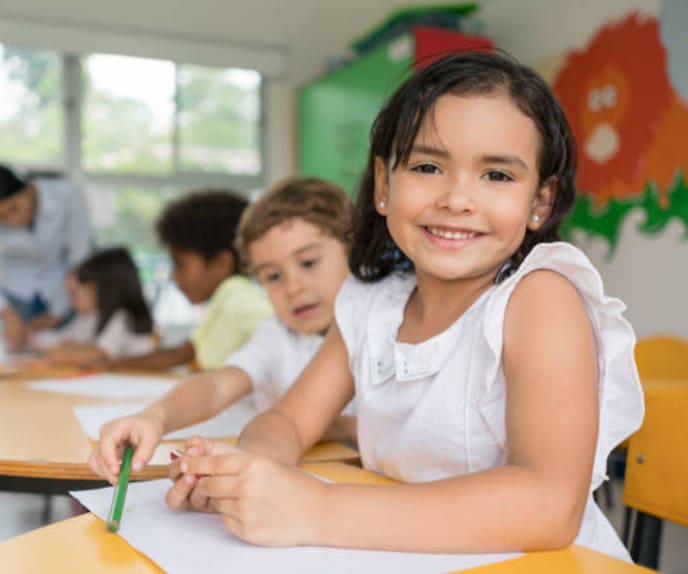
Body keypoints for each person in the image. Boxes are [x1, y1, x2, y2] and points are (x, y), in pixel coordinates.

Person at [160, 52, 645, 560]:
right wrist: (251, 475)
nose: (457, 199)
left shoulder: (541, 298)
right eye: (428, 167)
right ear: (384, 185)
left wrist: (316, 508)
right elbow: (287, 421)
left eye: (497, 175)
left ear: (539, 202)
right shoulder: (371, 305)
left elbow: (548, 506)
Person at [89, 177, 356, 479]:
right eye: (272, 276)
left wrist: (342, 427)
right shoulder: (277, 332)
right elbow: (217, 386)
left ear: (354, 252)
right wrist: (155, 417)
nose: (293, 287)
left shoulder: (376, 326)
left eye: (307, 263)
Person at [105, 189, 272, 372]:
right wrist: (112, 365)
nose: (174, 276)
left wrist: (110, 365)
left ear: (221, 263)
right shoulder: (225, 298)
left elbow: (276, 328)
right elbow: (185, 352)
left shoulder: (236, 294)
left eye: (181, 264)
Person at [0, 164, 93, 351]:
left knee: (68, 352)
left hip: (64, 290)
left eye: (14, 208)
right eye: (0, 216)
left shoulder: (66, 195)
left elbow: (80, 256)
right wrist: (7, 313)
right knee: (21, 356)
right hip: (16, 296)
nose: (12, 220)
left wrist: (59, 311)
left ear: (28, 189)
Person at [30, 247, 155, 365]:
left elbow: (98, 354)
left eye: (93, 288)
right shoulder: (102, 316)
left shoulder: (123, 317)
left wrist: (58, 355)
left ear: (108, 289)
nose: (92, 294)